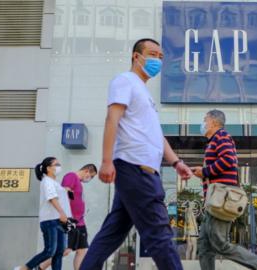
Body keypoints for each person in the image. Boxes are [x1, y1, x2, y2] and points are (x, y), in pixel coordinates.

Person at [79, 38, 192, 270]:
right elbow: (112, 118)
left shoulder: (145, 94)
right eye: (152, 54)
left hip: (137, 170)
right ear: (136, 56)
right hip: (136, 169)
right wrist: (106, 160)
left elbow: (157, 136)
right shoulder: (125, 81)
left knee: (113, 232)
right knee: (159, 234)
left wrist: (176, 162)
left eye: (161, 57)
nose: (157, 60)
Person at [191, 110, 257, 270]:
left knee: (220, 244)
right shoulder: (214, 140)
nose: (203, 124)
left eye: (205, 120)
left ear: (214, 122)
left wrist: (206, 171)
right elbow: (221, 166)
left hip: (220, 202)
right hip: (213, 202)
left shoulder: (221, 136)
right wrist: (202, 172)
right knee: (204, 246)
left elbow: (228, 160)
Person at [14, 157, 72, 270]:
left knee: (59, 252)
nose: (59, 166)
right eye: (56, 164)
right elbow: (52, 198)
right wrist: (62, 213)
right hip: (50, 220)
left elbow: (57, 196)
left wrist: (64, 190)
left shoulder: (54, 182)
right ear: (48, 168)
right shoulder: (47, 181)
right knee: (50, 251)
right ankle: (24, 268)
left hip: (59, 220)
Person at [39, 164, 98, 270]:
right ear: (87, 171)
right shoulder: (71, 176)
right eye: (91, 176)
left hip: (80, 221)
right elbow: (64, 192)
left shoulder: (79, 183)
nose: (90, 179)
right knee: (65, 250)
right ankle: (40, 267)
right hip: (70, 220)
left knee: (81, 250)